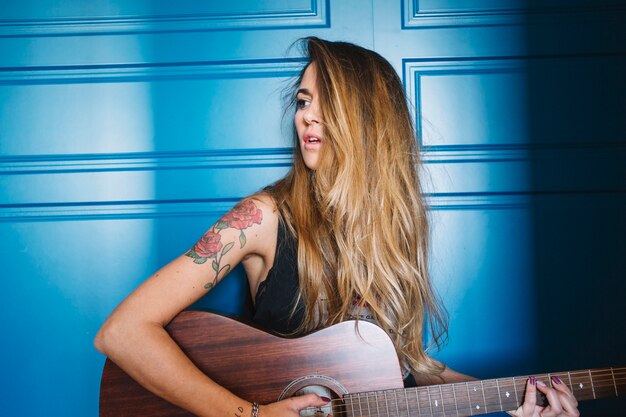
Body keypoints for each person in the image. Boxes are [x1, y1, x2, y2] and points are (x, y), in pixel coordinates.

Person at [95, 37, 579, 417]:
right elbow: (121, 332)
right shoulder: (262, 218)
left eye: (329, 102)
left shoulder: (393, 232)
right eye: (304, 100)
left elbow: (406, 371)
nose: (308, 114)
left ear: (369, 122)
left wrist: (520, 399)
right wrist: (251, 414)